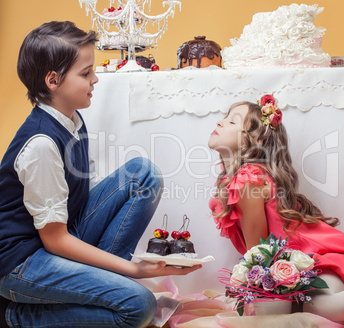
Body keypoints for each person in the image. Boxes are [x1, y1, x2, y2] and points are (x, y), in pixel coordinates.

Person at [0, 21, 200, 328]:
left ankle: (107, 283)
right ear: (53, 80)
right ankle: (16, 316)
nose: (95, 79)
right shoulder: (40, 144)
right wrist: (134, 271)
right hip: (22, 261)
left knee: (142, 174)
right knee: (140, 306)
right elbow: (55, 241)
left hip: (59, 235)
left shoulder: (72, 118)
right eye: (85, 73)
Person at [208, 95, 344, 323]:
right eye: (224, 118)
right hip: (300, 269)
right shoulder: (242, 179)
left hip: (323, 258)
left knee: (326, 308)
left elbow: (259, 250)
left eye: (233, 121)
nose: (220, 122)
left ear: (253, 140)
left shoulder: (248, 178)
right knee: (309, 311)